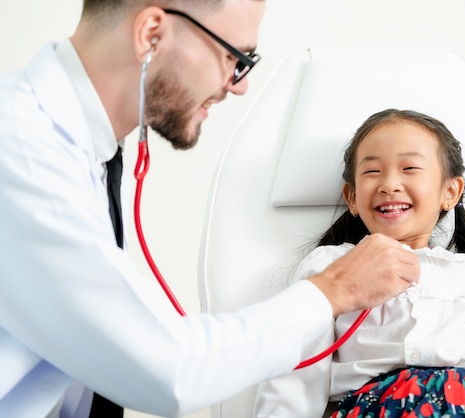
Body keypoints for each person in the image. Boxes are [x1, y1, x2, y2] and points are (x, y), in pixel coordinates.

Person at [0, 2, 419, 417]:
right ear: (151, 34)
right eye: (234, 57)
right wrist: (334, 289)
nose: (239, 86)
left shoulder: (82, 151)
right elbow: (168, 369)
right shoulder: (21, 151)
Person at [254, 109, 465, 417]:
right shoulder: (332, 265)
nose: (389, 184)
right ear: (353, 197)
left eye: (410, 168)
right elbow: (296, 371)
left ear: (450, 192)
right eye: (372, 171)